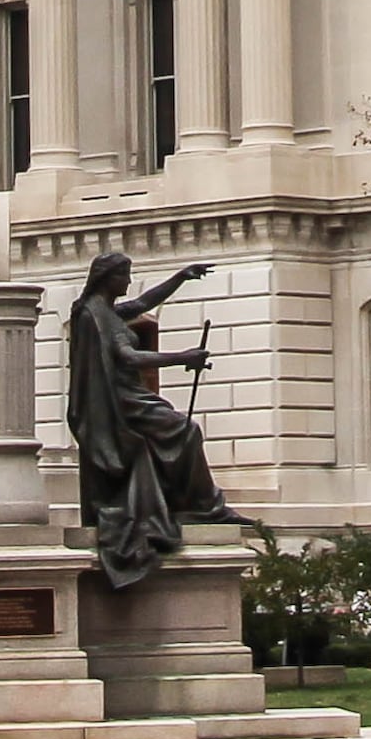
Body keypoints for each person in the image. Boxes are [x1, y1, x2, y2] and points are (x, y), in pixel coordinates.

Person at [67, 250, 232, 587]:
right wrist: (183, 357)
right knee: (185, 430)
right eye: (124, 274)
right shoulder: (93, 314)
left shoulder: (109, 312)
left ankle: (194, 504)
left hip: (132, 396)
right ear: (108, 278)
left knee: (182, 432)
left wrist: (180, 277)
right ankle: (203, 506)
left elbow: (143, 303)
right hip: (118, 403)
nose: (128, 281)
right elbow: (127, 357)